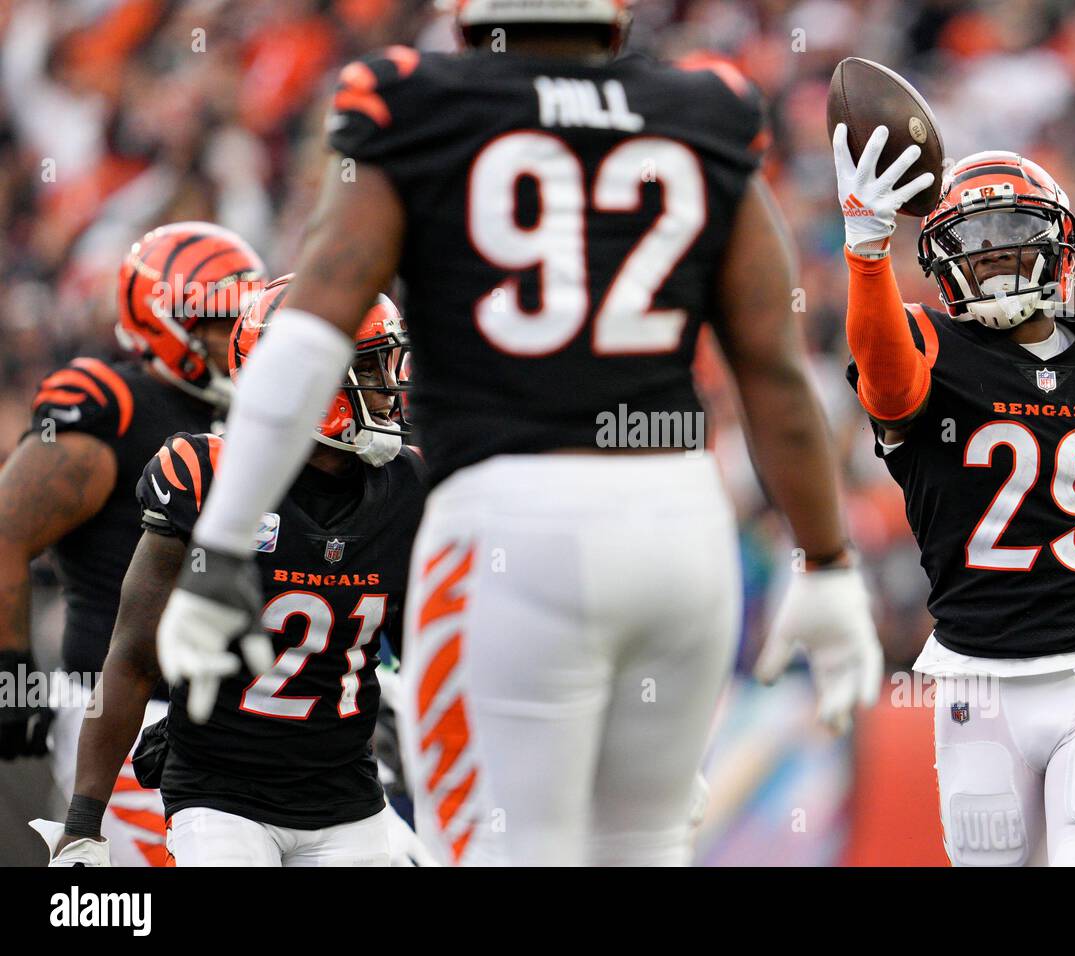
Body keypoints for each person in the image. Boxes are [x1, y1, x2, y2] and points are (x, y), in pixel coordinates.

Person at [152, 0, 882, 866]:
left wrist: (227, 539)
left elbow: (310, 333)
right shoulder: (701, 108)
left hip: (512, 529)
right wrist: (828, 562)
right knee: (643, 850)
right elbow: (772, 366)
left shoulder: (415, 101)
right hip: (682, 530)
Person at [831, 123, 1075, 866]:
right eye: (974, 242)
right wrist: (865, 253)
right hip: (975, 687)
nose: (993, 258)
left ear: (1058, 244)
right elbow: (887, 385)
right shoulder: (920, 346)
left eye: (1012, 236)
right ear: (944, 259)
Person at [34, 275, 428, 866]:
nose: (392, 385)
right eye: (372, 367)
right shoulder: (203, 473)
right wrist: (83, 823)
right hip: (222, 798)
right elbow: (135, 655)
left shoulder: (408, 484)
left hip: (348, 799)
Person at [0, 221, 264, 866]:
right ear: (164, 321)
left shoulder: (248, 418)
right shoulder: (113, 403)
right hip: (127, 719)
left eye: (242, 317)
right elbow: (6, 530)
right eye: (214, 321)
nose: (233, 337)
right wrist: (10, 670)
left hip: (237, 720)